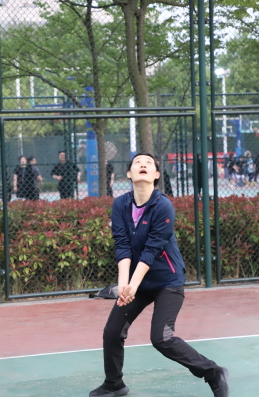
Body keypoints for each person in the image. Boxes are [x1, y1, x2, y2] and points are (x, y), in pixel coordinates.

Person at [89, 153, 230, 397]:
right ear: (129, 174)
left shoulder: (163, 206)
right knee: (112, 332)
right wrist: (123, 286)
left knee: (162, 338)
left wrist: (132, 286)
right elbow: (122, 245)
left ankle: (213, 372)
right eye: (137, 162)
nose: (142, 164)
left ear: (156, 175)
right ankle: (114, 384)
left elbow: (151, 251)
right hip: (138, 282)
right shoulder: (120, 205)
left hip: (168, 281)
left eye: (148, 163)